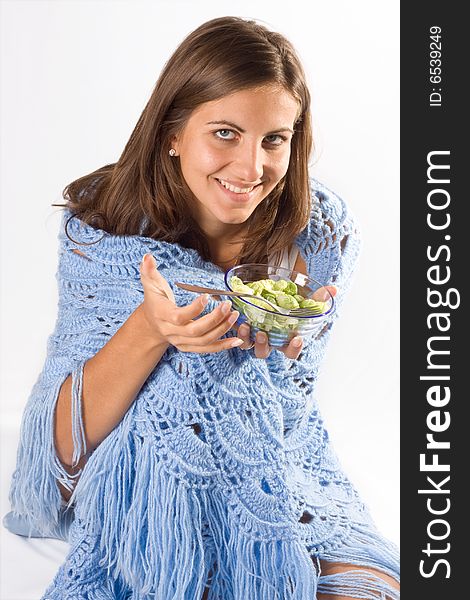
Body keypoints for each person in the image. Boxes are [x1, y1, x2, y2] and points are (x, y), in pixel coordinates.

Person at [4, 16, 399, 600]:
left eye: (275, 139)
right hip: (144, 488)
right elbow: (61, 453)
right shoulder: (103, 235)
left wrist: (278, 360)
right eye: (224, 133)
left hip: (272, 477)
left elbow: (286, 421)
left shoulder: (320, 235)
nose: (251, 168)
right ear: (172, 131)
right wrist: (150, 328)